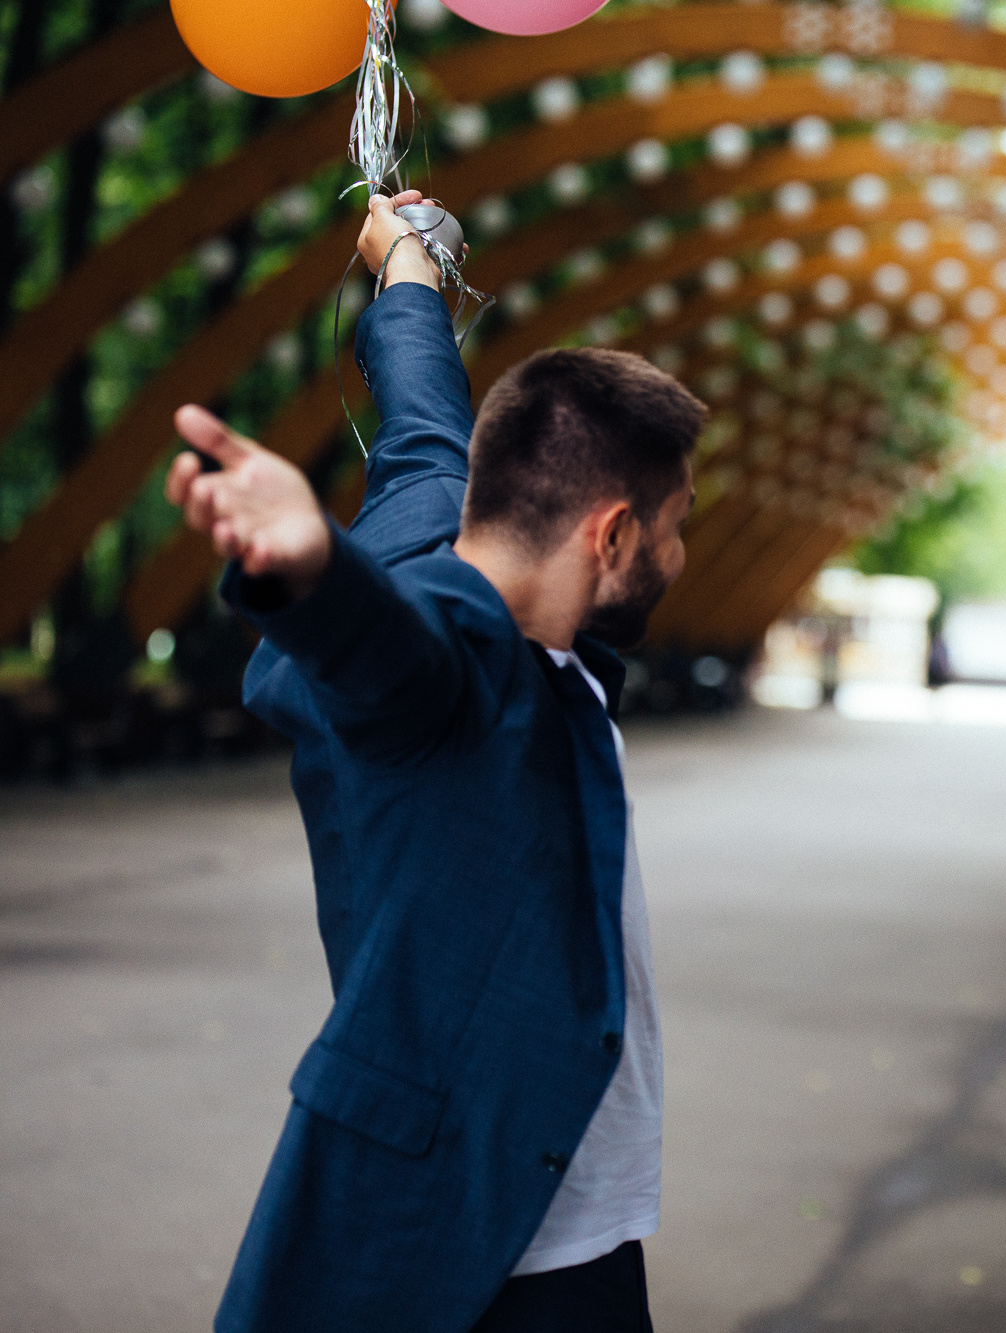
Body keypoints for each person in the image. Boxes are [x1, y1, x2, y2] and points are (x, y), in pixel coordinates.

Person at [164, 190, 706, 1333]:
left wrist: (404, 267)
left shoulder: (431, 504)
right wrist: (306, 570)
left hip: (579, 1207)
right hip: (506, 1230)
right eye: (673, 525)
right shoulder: (460, 669)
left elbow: (418, 412)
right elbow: (392, 656)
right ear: (608, 534)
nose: (681, 551)